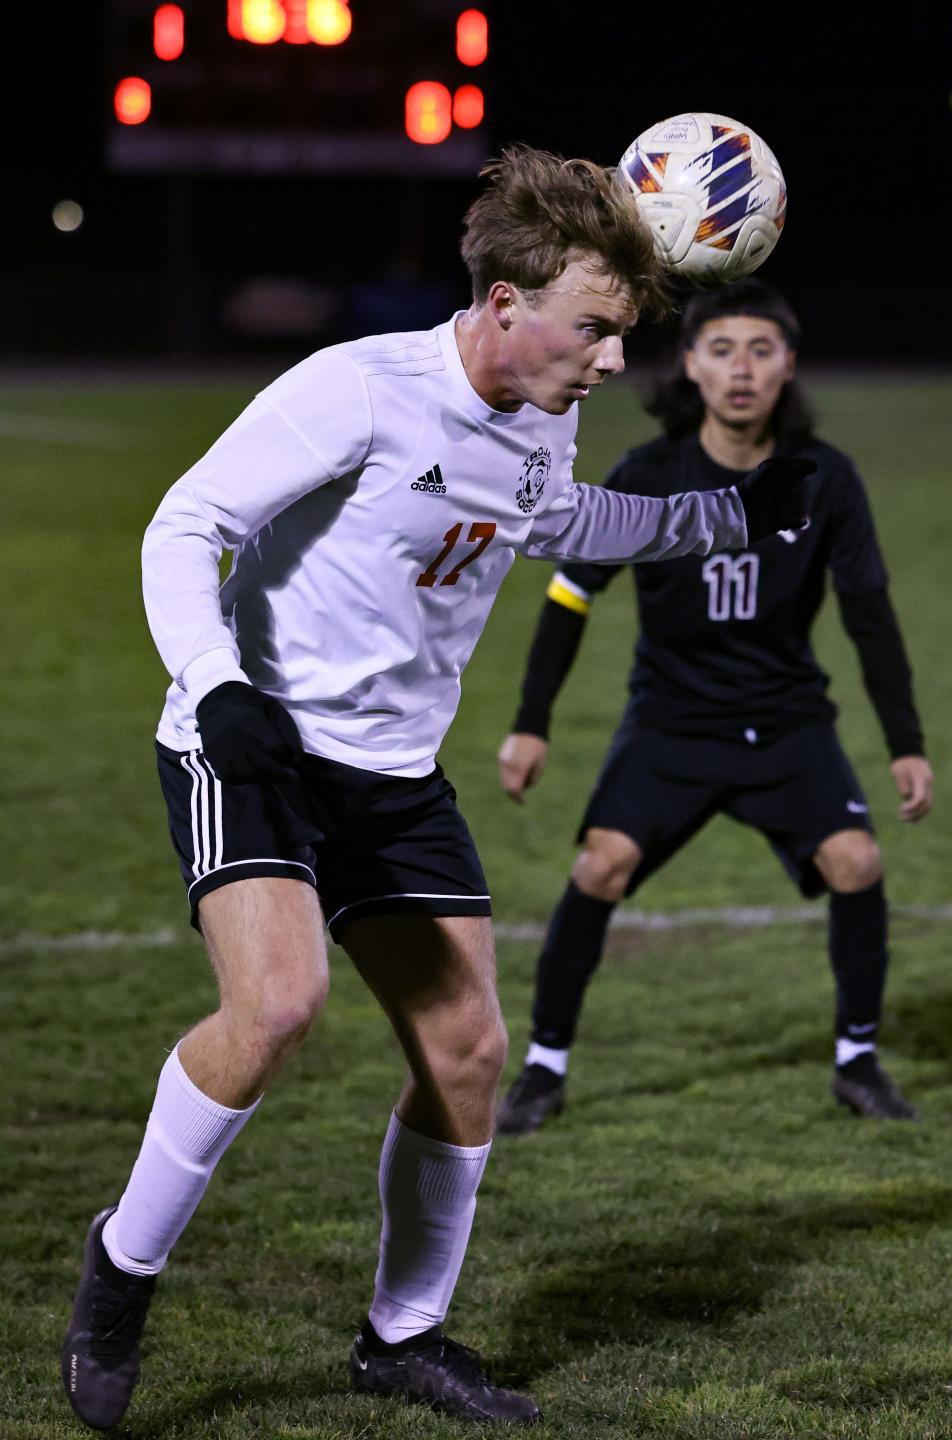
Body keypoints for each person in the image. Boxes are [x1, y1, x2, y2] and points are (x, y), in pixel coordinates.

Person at [60, 151, 810, 1432]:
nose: (612, 361)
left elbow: (545, 515)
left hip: (395, 772)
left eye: (623, 334)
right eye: (596, 330)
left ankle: (401, 1340)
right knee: (277, 1005)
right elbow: (185, 525)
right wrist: (219, 683)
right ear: (506, 302)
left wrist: (698, 522)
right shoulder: (359, 390)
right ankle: (120, 1272)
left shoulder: (547, 400)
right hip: (256, 746)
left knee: (466, 1053)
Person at [496, 279, 933, 1139]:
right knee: (600, 868)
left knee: (857, 861)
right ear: (689, 365)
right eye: (722, 349)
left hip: (786, 723)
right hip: (672, 723)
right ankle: (542, 1071)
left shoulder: (825, 480)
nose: (742, 370)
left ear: (790, 368)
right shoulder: (652, 474)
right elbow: (570, 595)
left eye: (762, 351)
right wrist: (532, 721)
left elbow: (870, 617)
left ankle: (857, 1063)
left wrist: (907, 745)